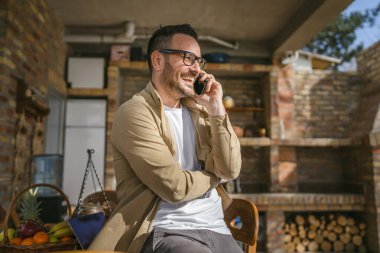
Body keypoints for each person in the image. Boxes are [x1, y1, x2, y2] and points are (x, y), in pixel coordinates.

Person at [89, 24, 242, 253]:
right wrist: (214, 177)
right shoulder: (135, 112)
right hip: (166, 232)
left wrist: (217, 109)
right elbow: (174, 188)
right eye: (188, 58)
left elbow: (230, 170)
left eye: (199, 61)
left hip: (217, 229)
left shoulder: (200, 111)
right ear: (158, 61)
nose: (197, 70)